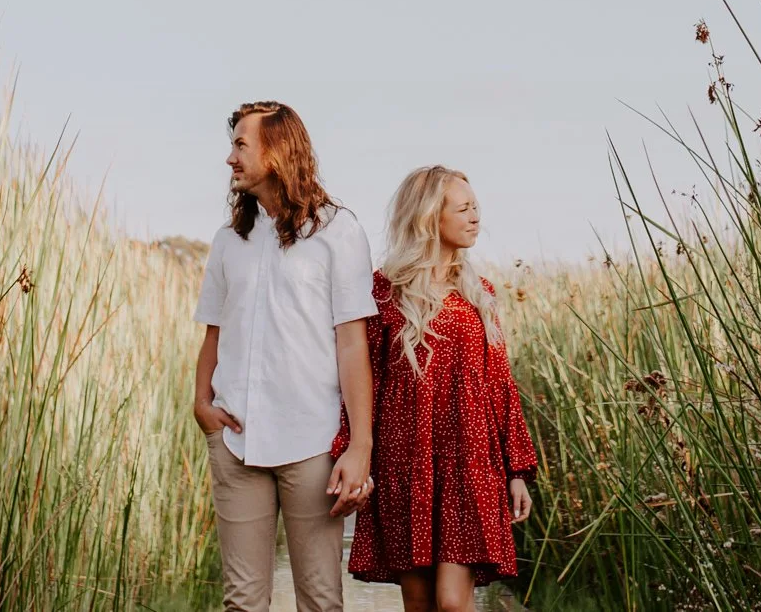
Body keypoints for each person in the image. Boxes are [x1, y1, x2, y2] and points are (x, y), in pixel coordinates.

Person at [193, 101, 378, 612]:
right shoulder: (229, 240)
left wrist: (359, 445)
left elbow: (352, 342)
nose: (230, 158)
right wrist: (201, 405)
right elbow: (213, 331)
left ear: (276, 153)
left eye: (240, 145)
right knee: (242, 602)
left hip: (311, 443)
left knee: (319, 599)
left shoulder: (338, 232)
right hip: (235, 441)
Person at [338, 165, 539, 612]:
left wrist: (517, 469)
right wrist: (353, 451)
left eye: (475, 208)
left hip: (470, 461)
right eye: (464, 208)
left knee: (452, 602)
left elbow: (500, 383)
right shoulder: (384, 291)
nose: (475, 217)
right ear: (431, 217)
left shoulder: (479, 292)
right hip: (404, 460)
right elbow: (363, 376)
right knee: (419, 601)